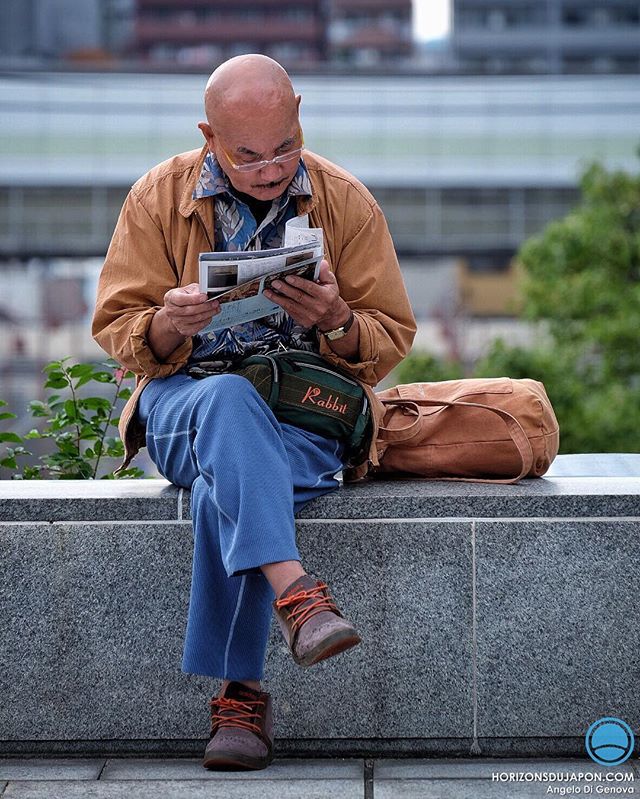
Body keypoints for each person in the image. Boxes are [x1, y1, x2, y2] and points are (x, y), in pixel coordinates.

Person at [92, 54, 416, 772]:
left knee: (224, 488)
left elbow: (390, 336)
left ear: (298, 113)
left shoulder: (346, 201)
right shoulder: (157, 197)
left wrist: (336, 319)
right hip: (186, 406)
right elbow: (115, 324)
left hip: (303, 413)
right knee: (230, 400)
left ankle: (241, 702)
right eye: (247, 156)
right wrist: (171, 324)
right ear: (209, 135)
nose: (271, 170)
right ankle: (298, 597)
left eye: (285, 147)